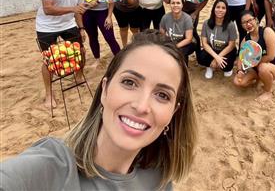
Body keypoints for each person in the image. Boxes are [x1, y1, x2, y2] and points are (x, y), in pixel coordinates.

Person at [0, 30, 197, 190]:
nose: (141, 106)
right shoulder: (52, 168)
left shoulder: (160, 180)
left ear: (173, 113)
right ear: (104, 89)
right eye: (129, 82)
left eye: (162, 95)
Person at [35, 0, 88, 108]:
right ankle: (49, 95)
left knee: (81, 51)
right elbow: (48, 9)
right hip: (46, 26)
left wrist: (81, 28)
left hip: (68, 23)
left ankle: (78, 77)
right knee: (49, 60)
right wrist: (73, 8)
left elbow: (78, 11)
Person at [233, 10, 275, 101]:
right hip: (255, 68)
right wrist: (239, 70)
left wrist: (253, 63)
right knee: (238, 82)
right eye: (244, 23)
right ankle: (259, 78)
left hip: (272, 66)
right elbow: (241, 58)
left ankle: (268, 91)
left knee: (263, 68)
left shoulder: (267, 32)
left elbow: (271, 56)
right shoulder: (245, 40)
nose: (248, 24)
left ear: (256, 20)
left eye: (249, 20)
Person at [197, 0, 237, 79]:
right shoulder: (206, 23)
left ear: (226, 11)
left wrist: (217, 59)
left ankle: (227, 68)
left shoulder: (231, 25)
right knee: (201, 57)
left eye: (223, 8)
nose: (220, 10)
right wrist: (216, 57)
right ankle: (209, 67)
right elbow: (204, 43)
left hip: (226, 50)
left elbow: (231, 45)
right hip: (212, 49)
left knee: (226, 67)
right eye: (218, 7)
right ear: (213, 9)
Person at [160, 0, 194, 65]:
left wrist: (174, 47)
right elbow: (162, 35)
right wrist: (167, 45)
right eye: (173, 3)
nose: (175, 5)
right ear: (170, 4)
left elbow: (189, 39)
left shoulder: (187, 18)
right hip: (171, 42)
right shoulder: (165, 18)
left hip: (185, 43)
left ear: (182, 5)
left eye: (178, 3)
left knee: (181, 51)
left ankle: (184, 68)